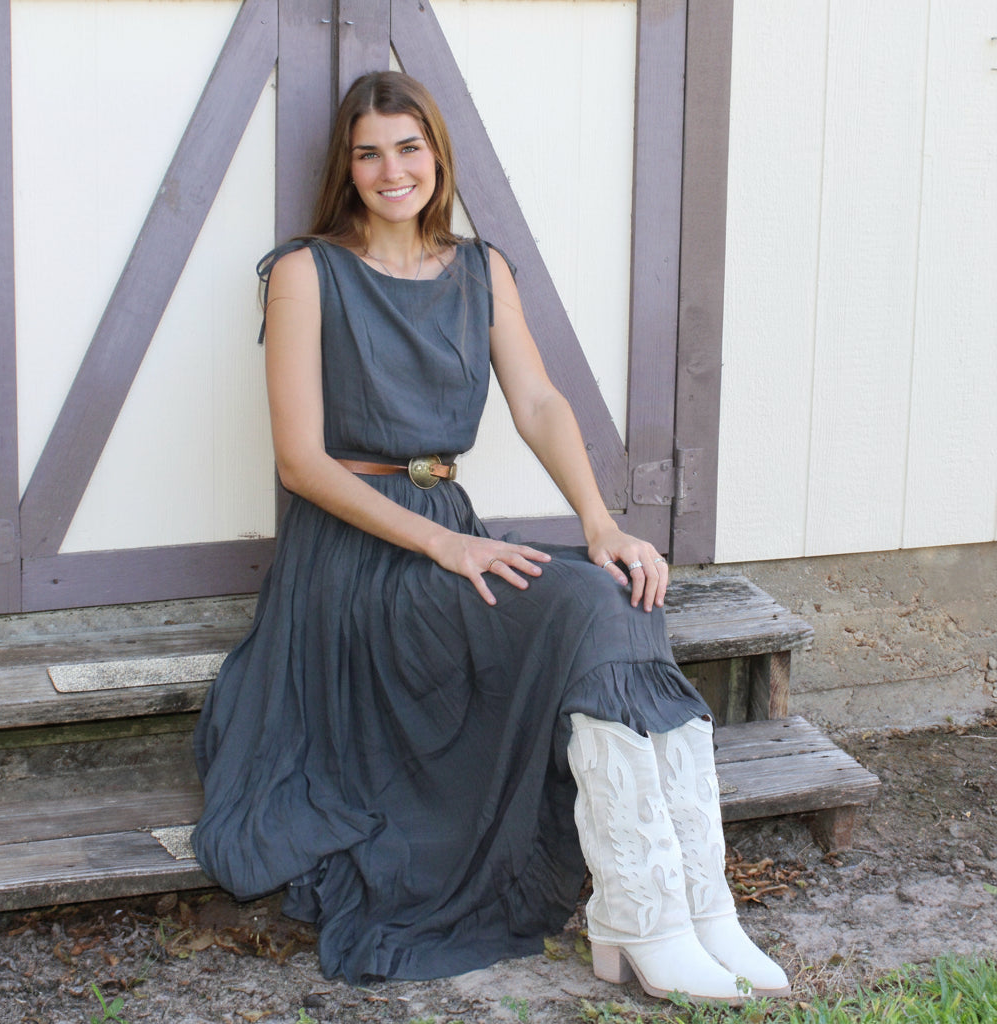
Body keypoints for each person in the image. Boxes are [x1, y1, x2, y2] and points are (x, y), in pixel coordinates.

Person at [192, 70, 789, 1003]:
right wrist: (444, 548)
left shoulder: (481, 268)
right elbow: (303, 463)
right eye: (370, 153)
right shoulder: (307, 272)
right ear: (347, 169)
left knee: (615, 594)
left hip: (449, 530)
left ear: (437, 153)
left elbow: (541, 401)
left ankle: (687, 908)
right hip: (353, 558)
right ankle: (645, 921)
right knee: (585, 614)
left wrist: (601, 523)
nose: (393, 170)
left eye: (409, 147)